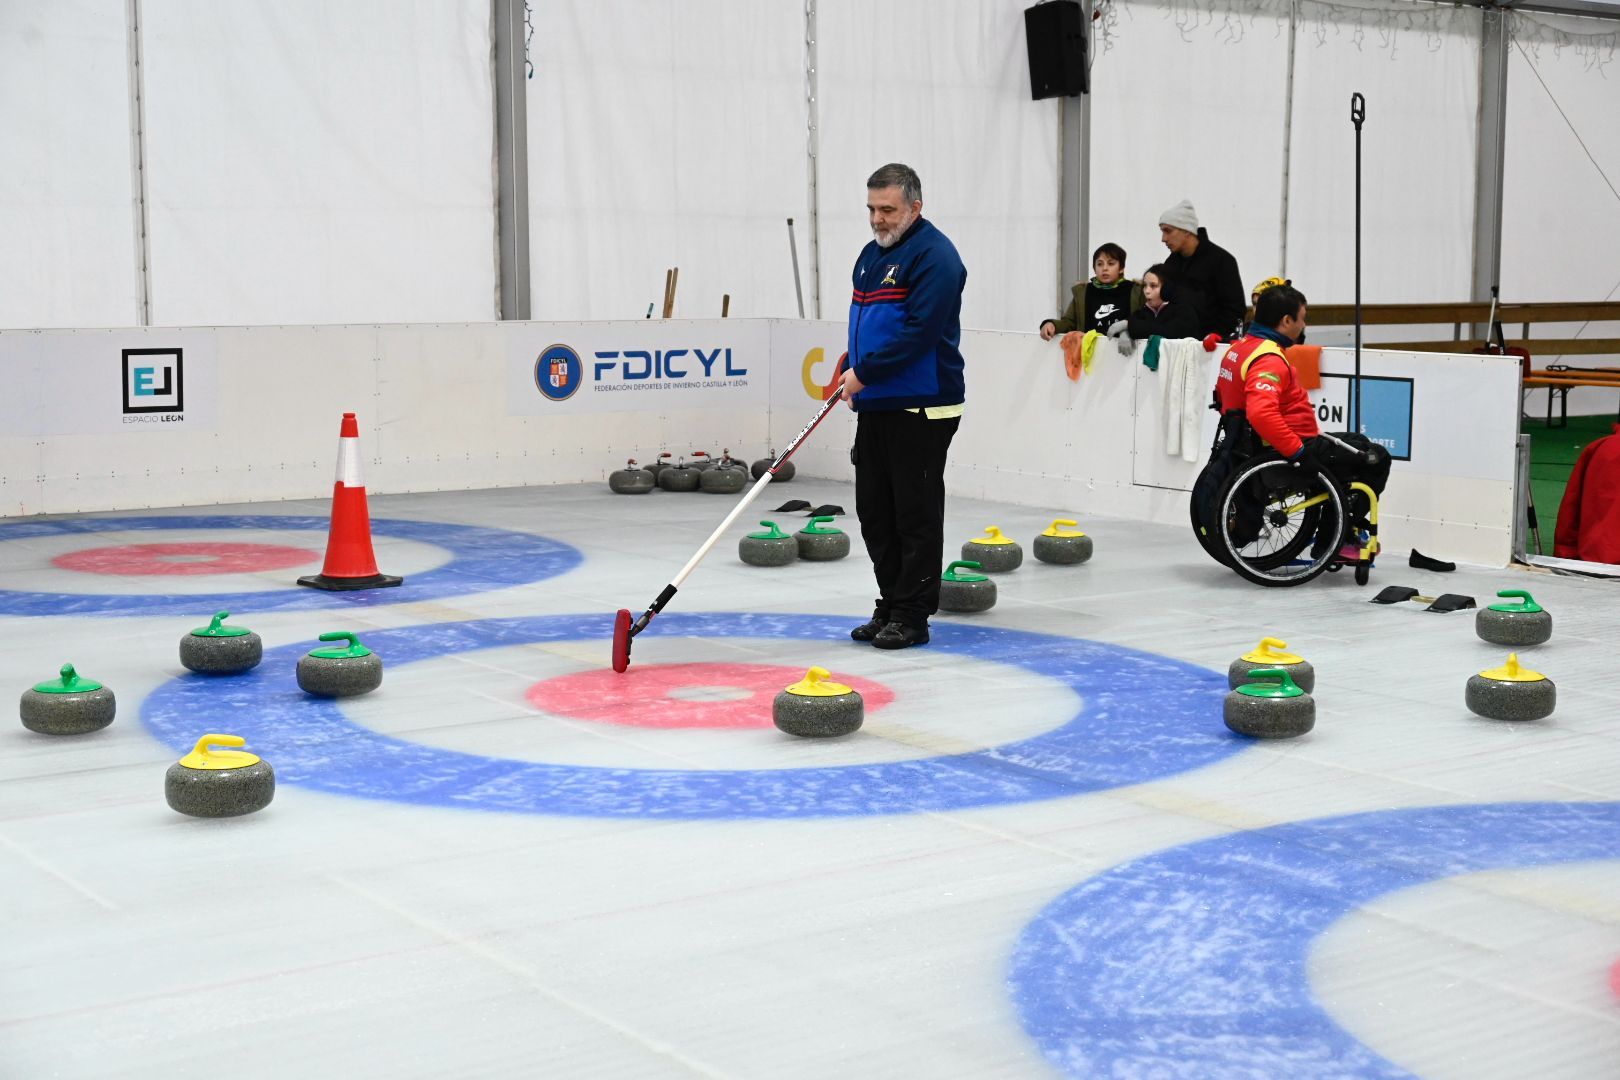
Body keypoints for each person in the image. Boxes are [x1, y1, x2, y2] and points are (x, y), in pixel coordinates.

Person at [840, 163, 967, 650]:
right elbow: (869, 325)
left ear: (915, 207)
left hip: (922, 406)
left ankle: (913, 615)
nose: (878, 219)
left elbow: (919, 334)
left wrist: (865, 372)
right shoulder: (871, 255)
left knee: (913, 514)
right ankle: (891, 602)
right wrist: (850, 364)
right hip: (878, 401)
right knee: (874, 512)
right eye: (872, 209)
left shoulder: (936, 257)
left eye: (887, 210)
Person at [1213, 283, 1390, 558]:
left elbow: (1222, 396)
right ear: (1286, 321)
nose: (1304, 325)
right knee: (1376, 459)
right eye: (1302, 318)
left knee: (1358, 442)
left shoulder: (1241, 347)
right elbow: (1261, 413)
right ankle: (1335, 540)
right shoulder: (1268, 359)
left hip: (1258, 443)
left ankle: (1337, 530)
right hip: (1289, 447)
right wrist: (1298, 452)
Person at [1159, 199, 1246, 341]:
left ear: (1186, 230)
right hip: (1176, 344)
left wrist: (1215, 336)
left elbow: (1234, 309)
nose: (1163, 238)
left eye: (1168, 231)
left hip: (1210, 346)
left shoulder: (1222, 261)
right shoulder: (1171, 264)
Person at [1040, 243, 1143, 340]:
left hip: (1126, 351)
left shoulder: (1135, 291)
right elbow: (1069, 322)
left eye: (1111, 263)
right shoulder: (1083, 292)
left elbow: (1145, 320)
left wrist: (1128, 331)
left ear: (1121, 268)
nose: (1105, 268)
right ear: (1094, 268)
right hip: (1090, 351)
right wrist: (1052, 324)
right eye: (1100, 264)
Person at [1121, 263, 1199, 345]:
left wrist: (1129, 325)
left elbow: (1167, 332)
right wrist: (1125, 332)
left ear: (1167, 287)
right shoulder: (1142, 313)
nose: (1147, 291)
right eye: (1145, 285)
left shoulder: (1184, 310)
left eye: (1153, 286)